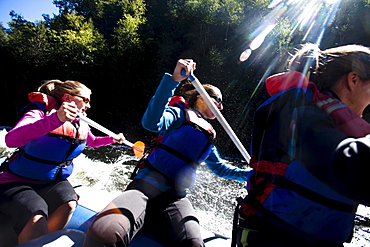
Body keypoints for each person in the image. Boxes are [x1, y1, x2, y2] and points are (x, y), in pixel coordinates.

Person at [83, 59, 250, 247]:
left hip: (176, 198)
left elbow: (221, 169)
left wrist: (256, 174)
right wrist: (173, 81)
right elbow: (151, 123)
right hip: (144, 188)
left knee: (194, 244)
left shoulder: (209, 135)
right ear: (201, 96)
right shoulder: (179, 114)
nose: (221, 107)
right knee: (103, 233)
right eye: (217, 101)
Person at [235, 43, 370, 247]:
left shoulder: (330, 122)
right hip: (275, 236)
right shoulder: (293, 112)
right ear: (353, 80)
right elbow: (348, 166)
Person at [0, 80, 125, 244]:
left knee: (69, 202)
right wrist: (56, 119)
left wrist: (112, 139)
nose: (88, 106)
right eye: (85, 100)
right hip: (17, 180)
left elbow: (92, 141)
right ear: (67, 97)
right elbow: (11, 140)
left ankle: (41, 240)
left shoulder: (80, 123)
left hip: (51, 181)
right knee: (36, 212)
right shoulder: (40, 115)